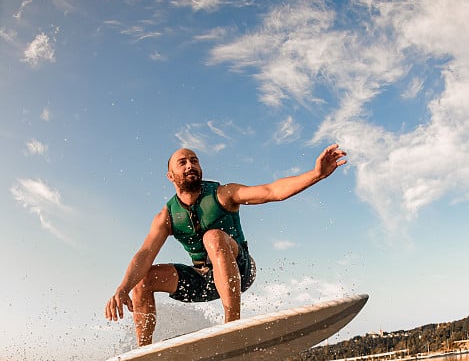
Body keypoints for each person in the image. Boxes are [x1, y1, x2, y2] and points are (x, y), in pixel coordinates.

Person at [105, 143, 347, 346]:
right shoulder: (166, 216)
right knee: (143, 280)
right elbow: (145, 253)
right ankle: (143, 353)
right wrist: (123, 288)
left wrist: (316, 174)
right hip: (202, 280)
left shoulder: (223, 194)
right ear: (170, 176)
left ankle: (232, 326)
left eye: (194, 160)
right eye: (182, 162)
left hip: (239, 270)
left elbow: (271, 191)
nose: (190, 165)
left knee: (213, 237)